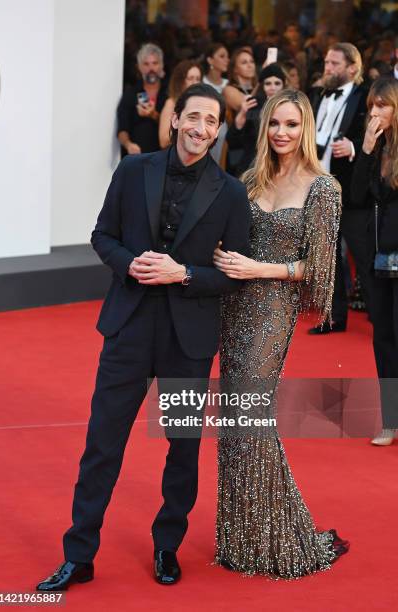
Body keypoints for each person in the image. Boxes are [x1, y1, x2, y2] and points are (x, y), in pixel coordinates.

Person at [36, 84, 251, 591]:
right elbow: (101, 235)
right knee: (102, 443)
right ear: (175, 119)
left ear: (218, 130)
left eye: (210, 121)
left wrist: (185, 275)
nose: (200, 128)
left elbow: (234, 273)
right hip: (129, 327)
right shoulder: (134, 171)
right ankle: (79, 553)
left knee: (181, 448)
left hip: (187, 338)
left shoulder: (231, 192)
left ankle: (167, 547)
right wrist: (128, 264)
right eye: (192, 116)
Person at [213, 89, 349, 577]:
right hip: (233, 307)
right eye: (275, 124)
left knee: (253, 415)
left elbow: (319, 272)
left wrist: (259, 269)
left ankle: (284, 537)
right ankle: (244, 537)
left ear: (306, 128)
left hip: (272, 309)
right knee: (235, 421)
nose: (282, 134)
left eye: (292, 125)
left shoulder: (323, 188)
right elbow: (230, 238)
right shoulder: (250, 180)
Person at [309, 42, 370, 335]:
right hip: (318, 184)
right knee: (327, 256)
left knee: (361, 254)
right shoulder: (316, 94)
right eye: (326, 62)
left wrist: (354, 146)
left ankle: (382, 314)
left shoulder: (365, 95)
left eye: (334, 63)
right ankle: (333, 317)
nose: (328, 68)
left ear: (352, 68)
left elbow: (381, 132)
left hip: (351, 188)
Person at [350, 77, 398, 446]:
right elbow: (356, 197)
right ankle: (390, 421)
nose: (375, 113)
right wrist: (365, 150)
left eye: (382, 106)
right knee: (383, 338)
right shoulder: (374, 148)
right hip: (379, 256)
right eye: (372, 106)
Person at [225, 64, 287, 177]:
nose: (273, 87)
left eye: (277, 83)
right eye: (268, 83)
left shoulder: (291, 106)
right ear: (262, 85)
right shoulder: (253, 104)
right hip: (251, 166)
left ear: (283, 85)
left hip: (280, 166)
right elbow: (232, 138)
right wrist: (243, 112)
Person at [117, 43, 168, 157]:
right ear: (139, 67)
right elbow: (122, 128)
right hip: (136, 159)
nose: (151, 68)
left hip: (163, 158)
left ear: (161, 65)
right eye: (146, 64)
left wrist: (153, 115)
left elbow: (175, 127)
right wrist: (128, 144)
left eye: (155, 63)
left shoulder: (169, 93)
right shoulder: (131, 93)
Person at [159, 60, 202, 148]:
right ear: (180, 82)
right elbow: (163, 140)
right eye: (190, 78)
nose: (195, 83)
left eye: (198, 79)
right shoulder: (171, 103)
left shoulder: (201, 104)